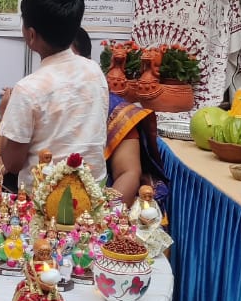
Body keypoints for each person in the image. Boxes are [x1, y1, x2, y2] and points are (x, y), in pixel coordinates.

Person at [0, 0, 109, 194]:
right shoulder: (95, 73)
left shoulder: (28, 89)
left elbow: (12, 163)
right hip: (92, 198)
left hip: (43, 205)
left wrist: (5, 114)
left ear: (31, 34)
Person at [71, 27, 171, 206]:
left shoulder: (115, 110)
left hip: (98, 206)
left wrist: (102, 220)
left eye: (68, 63)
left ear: (87, 62)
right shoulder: (37, 100)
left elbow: (128, 173)